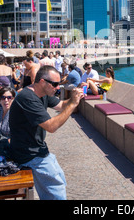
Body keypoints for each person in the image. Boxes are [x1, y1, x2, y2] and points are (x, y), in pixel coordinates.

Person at [9, 65, 83, 200]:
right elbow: (51, 126)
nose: (57, 88)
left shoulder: (42, 93)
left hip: (38, 149)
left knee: (59, 178)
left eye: (59, 84)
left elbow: (60, 106)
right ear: (42, 82)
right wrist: (72, 105)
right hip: (29, 154)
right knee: (56, 190)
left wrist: (74, 99)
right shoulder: (27, 97)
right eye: (55, 84)